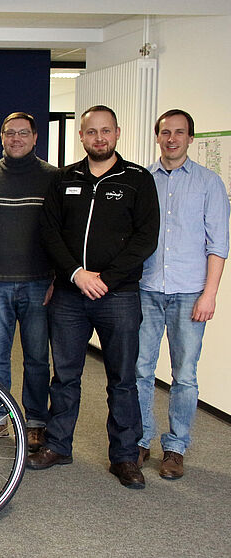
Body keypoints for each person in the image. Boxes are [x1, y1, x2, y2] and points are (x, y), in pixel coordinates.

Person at [30, 105, 160, 489]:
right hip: (70, 295)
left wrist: (106, 278)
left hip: (118, 296)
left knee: (122, 379)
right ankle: (57, 445)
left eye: (106, 131)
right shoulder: (64, 179)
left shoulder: (137, 179)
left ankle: (124, 456)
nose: (98, 138)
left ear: (117, 133)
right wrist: (76, 274)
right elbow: (49, 231)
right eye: (91, 132)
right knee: (65, 376)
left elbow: (145, 238)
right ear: (81, 136)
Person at [135, 109, 230, 480]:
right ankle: (141, 439)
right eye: (165, 133)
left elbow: (218, 245)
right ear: (156, 137)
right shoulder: (143, 180)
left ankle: (175, 446)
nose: (171, 139)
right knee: (140, 369)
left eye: (179, 133)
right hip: (146, 290)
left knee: (185, 374)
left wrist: (210, 295)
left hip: (190, 293)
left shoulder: (209, 183)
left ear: (191, 138)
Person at [0, 112, 58, 450]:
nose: (16, 139)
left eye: (23, 133)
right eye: (10, 133)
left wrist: (57, 279)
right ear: (2, 137)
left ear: (36, 137)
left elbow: (62, 232)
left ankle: (35, 421)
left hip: (39, 283)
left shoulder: (54, 177)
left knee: (37, 357)